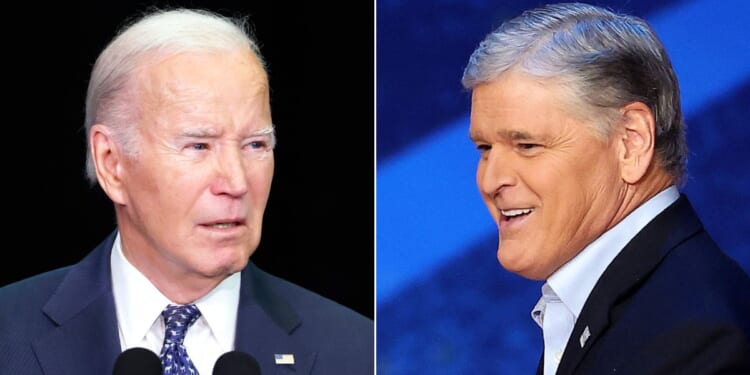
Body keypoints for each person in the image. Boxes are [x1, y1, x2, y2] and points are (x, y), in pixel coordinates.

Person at [0, 7, 373, 375]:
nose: (237, 182)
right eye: (199, 146)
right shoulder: (8, 336)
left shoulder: (359, 352)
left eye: (255, 145)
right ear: (111, 162)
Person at [461, 2, 750, 374]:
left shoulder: (699, 338)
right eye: (485, 148)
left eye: (527, 145)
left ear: (630, 142)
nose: (490, 180)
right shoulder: (627, 306)